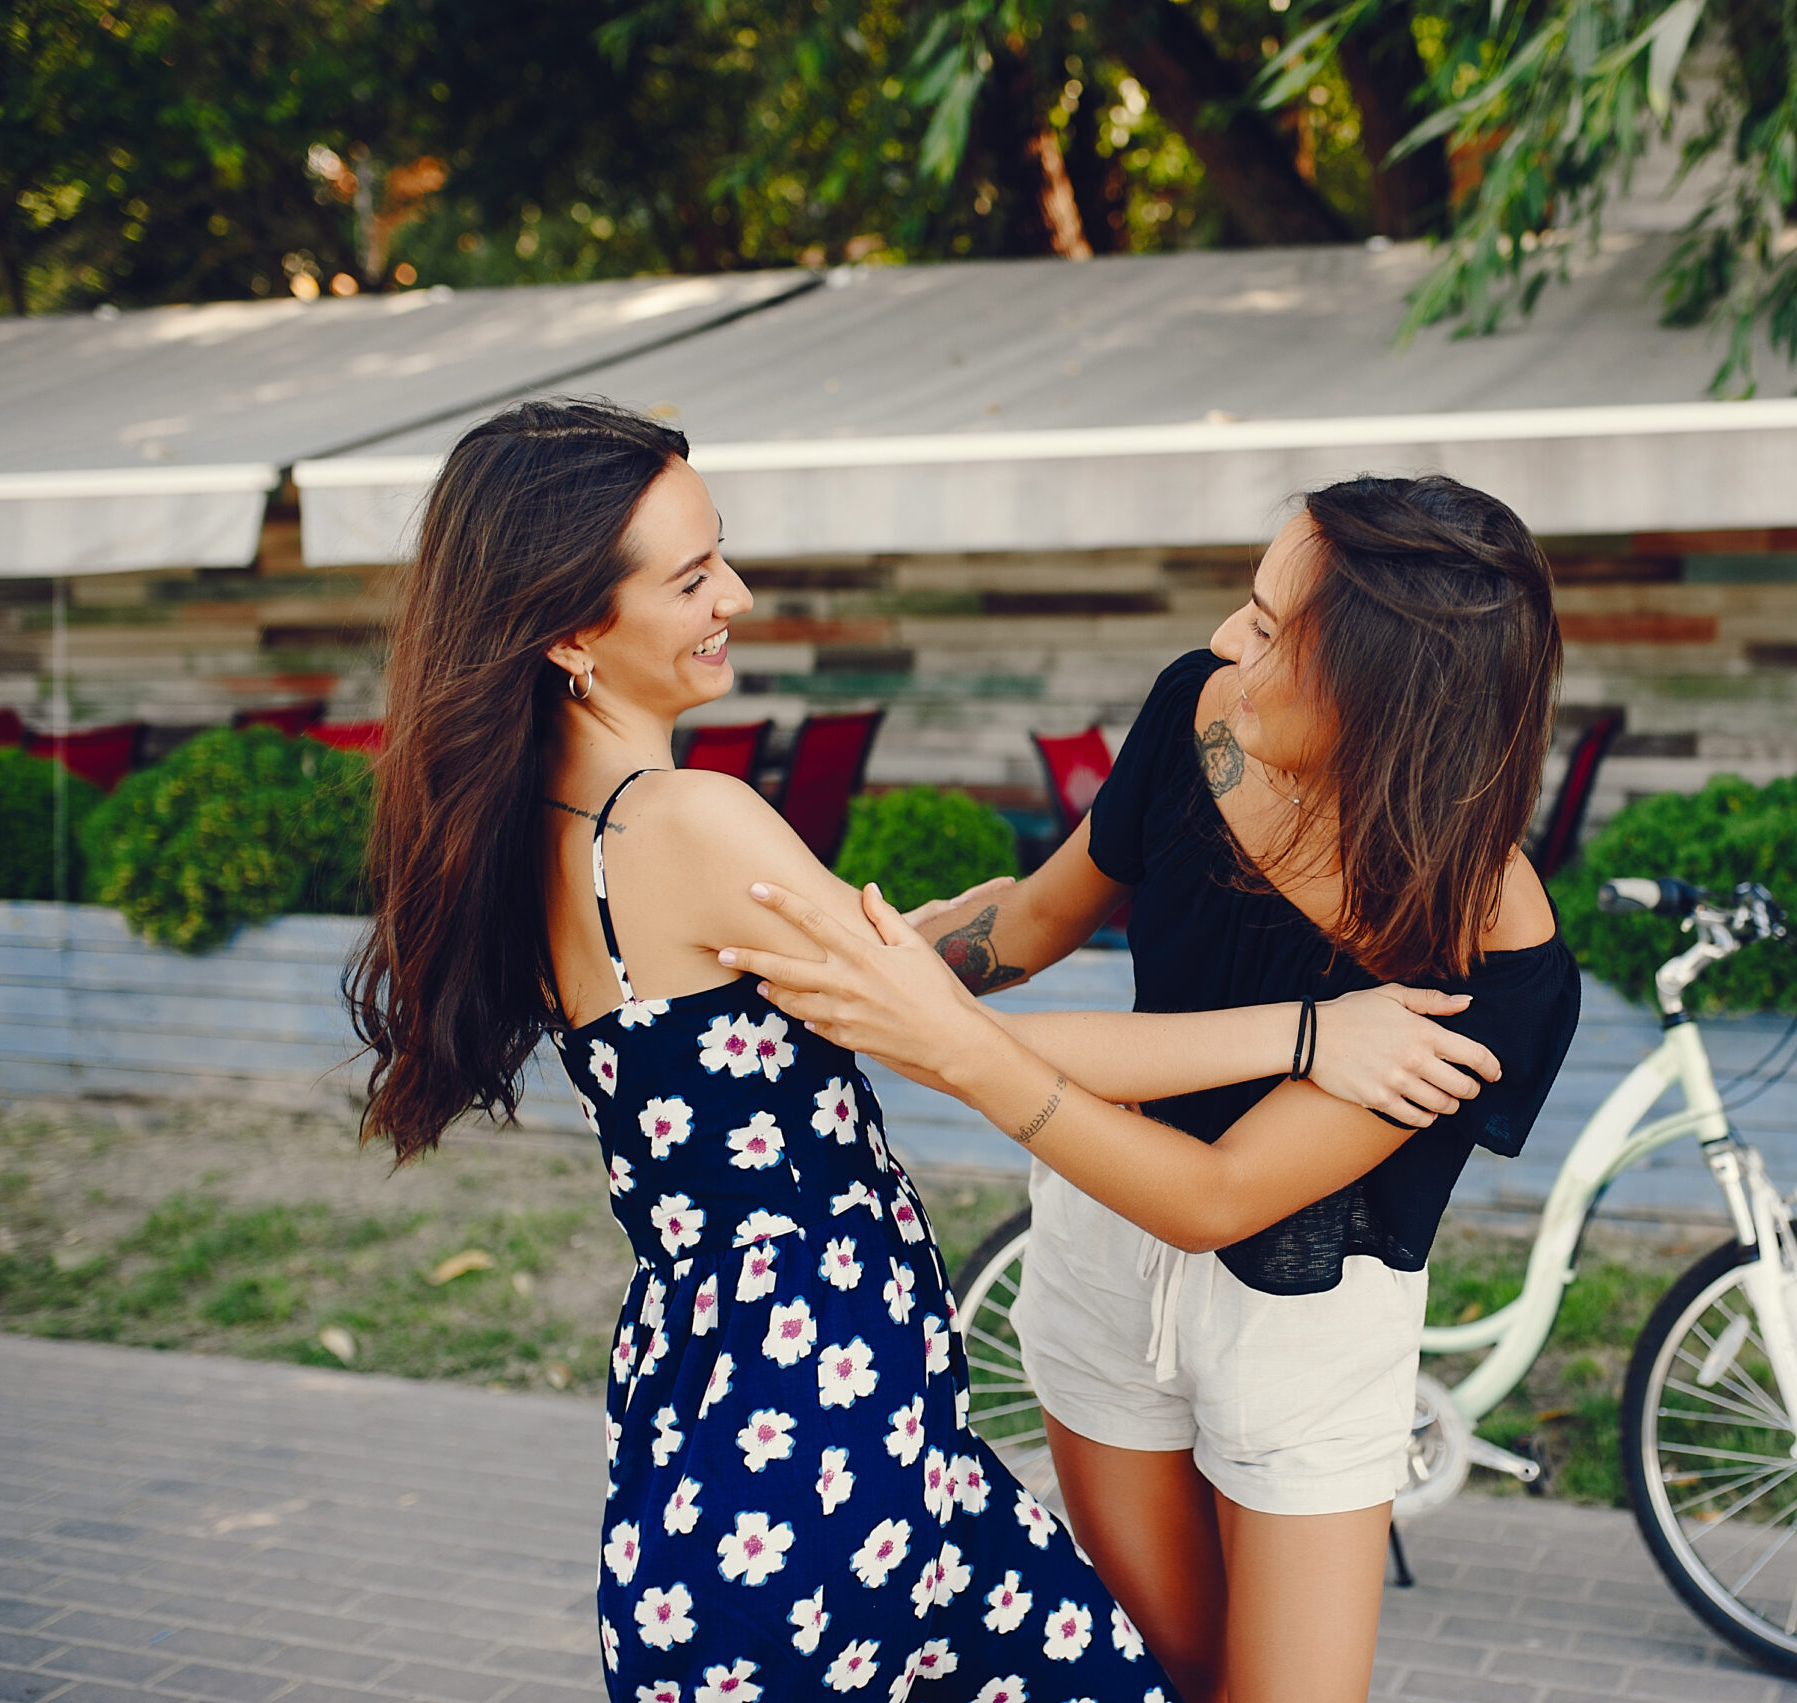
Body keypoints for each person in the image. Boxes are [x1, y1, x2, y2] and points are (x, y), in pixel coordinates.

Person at [343, 401, 1506, 1700]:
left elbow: (923, 954)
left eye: (718, 550)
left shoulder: (555, 819)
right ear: (568, 629)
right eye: (690, 577)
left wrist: (948, 935)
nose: (733, 590)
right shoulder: (690, 821)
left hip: (741, 1388)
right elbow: (940, 1024)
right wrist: (1309, 1031)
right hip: (826, 1406)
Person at [721, 474, 1584, 1703]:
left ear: (1387, 699)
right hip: (1098, 1250)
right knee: (1153, 1679)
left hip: (1297, 1319)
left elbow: (1220, 1195)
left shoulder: (1482, 940)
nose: (1233, 642)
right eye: (1249, 602)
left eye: (1275, 630)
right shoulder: (1201, 712)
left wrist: (945, 1042)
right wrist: (884, 956)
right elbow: (1028, 921)